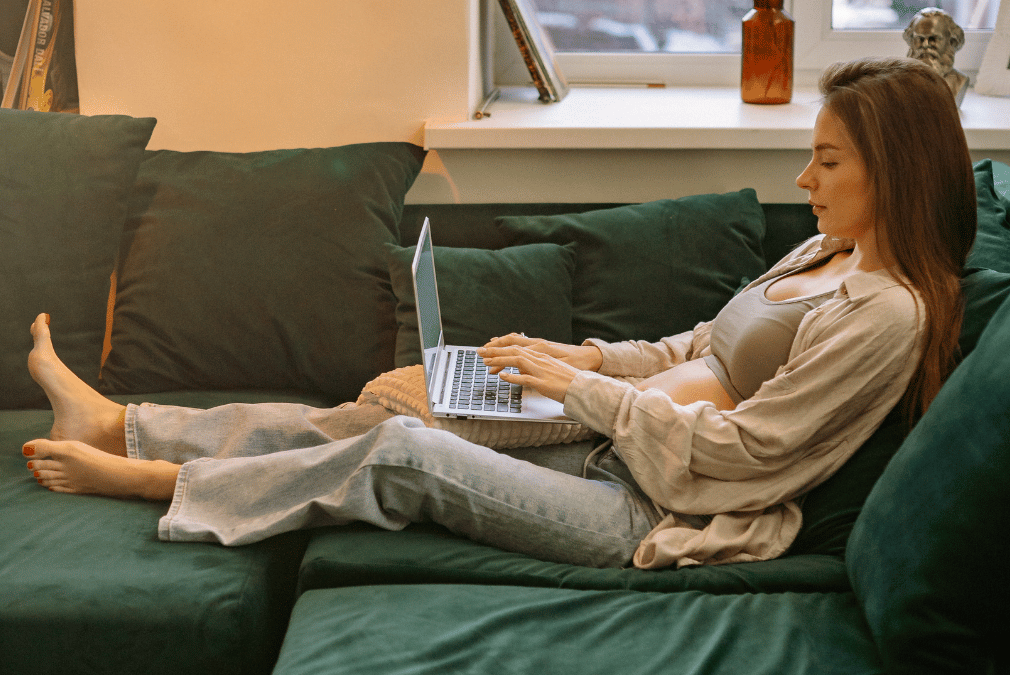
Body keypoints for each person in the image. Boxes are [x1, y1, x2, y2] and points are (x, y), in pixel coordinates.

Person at [20, 57, 977, 569]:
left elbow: (743, 454)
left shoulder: (886, 313)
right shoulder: (824, 251)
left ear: (891, 169)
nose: (804, 179)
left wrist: (586, 394)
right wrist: (587, 356)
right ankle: (127, 419)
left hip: (648, 501)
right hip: (612, 437)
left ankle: (162, 484)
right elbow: (697, 345)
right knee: (399, 406)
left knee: (409, 456)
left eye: (829, 161)